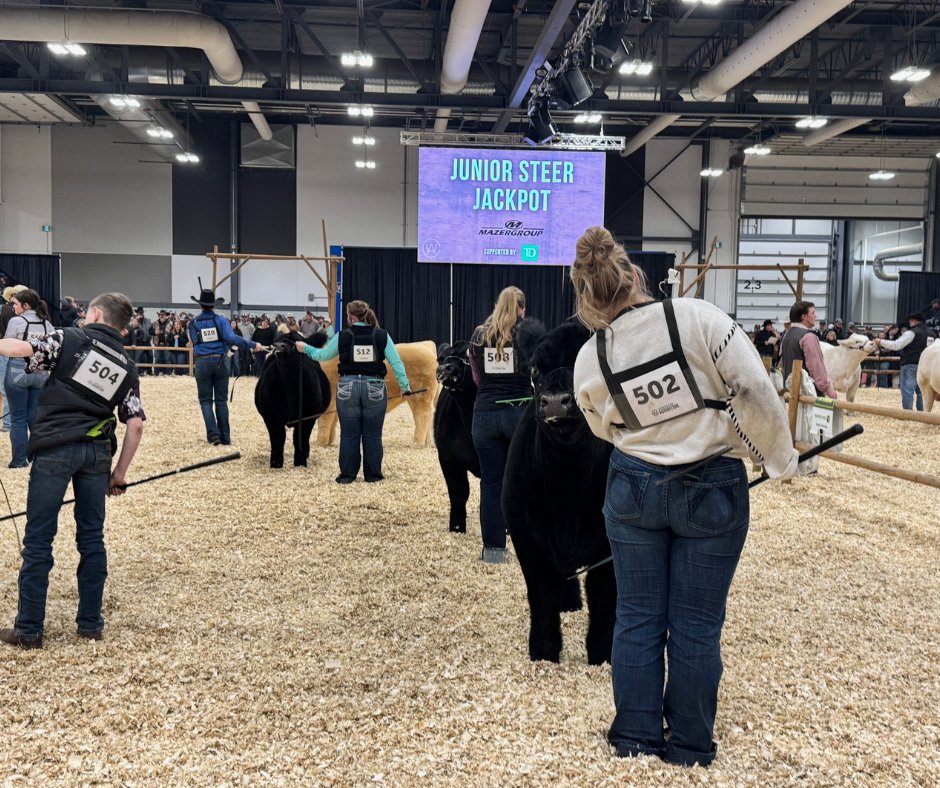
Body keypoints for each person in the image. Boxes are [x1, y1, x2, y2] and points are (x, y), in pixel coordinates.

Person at [569, 227, 799, 768]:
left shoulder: (590, 356)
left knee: (638, 616)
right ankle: (690, 745)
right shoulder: (700, 318)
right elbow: (754, 390)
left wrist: (646, 441)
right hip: (711, 482)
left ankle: (634, 736)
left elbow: (601, 426)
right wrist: (778, 458)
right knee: (696, 622)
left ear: (587, 291)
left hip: (632, 485)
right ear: (633, 273)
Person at [0, 292, 145, 648]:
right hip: (97, 454)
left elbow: (20, 351)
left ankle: (30, 629)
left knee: (38, 540)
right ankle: (90, 624)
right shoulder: (126, 366)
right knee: (92, 538)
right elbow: (136, 424)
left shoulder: (69, 338)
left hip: (55, 448)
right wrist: (120, 475)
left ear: (94, 313)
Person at [295, 299, 410, 484]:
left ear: (352, 317)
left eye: (348, 315)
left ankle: (347, 476)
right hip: (374, 387)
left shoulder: (343, 335)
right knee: (373, 434)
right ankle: (373, 475)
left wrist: (305, 348)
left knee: (349, 434)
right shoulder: (381, 335)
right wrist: (405, 386)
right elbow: (396, 362)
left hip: (347, 386)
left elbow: (322, 356)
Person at [468, 286, 531, 564]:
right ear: (521, 309)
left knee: (491, 482)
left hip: (485, 414)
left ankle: (493, 550)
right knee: (521, 481)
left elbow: (476, 378)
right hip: (518, 414)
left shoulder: (479, 336)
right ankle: (527, 545)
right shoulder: (528, 335)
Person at [188, 284, 266, 445]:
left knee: (205, 400)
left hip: (202, 361)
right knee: (221, 400)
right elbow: (231, 339)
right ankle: (225, 436)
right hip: (220, 360)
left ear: (200, 305)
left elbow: (195, 342)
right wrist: (252, 345)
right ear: (214, 305)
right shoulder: (221, 321)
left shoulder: (193, 323)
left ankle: (213, 435)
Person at [4, 289, 55, 468]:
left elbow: (8, 346)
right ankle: (37, 458)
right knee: (35, 416)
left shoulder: (16, 321)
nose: (13, 307)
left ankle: (19, 461)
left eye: (15, 304)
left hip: (18, 369)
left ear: (25, 305)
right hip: (40, 372)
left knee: (18, 417)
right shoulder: (46, 324)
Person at [875, 313, 928, 411]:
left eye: (910, 321)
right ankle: (922, 414)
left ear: (914, 321)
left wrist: (881, 342)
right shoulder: (928, 332)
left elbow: (897, 345)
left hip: (909, 364)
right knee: (921, 390)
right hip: (923, 365)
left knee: (907, 389)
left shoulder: (911, 333)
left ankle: (907, 413)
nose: (909, 322)